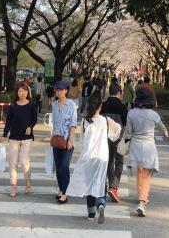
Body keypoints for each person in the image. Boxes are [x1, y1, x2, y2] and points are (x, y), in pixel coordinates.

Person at [67, 91, 121, 224]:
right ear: (100, 107)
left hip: (88, 156)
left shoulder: (85, 121)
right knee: (100, 182)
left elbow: (82, 140)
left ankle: (91, 214)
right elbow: (118, 129)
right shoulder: (105, 120)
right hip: (102, 156)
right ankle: (101, 204)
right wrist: (110, 136)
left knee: (89, 184)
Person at [125, 87, 168, 217]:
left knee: (139, 171)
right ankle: (142, 202)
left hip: (135, 145)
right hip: (149, 146)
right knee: (146, 175)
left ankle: (141, 195)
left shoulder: (131, 113)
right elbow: (162, 127)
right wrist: (165, 133)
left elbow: (128, 131)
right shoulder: (153, 115)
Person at [0, 82, 37, 197]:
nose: (22, 93)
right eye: (20, 91)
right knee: (13, 163)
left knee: (24, 161)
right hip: (14, 137)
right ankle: (14, 186)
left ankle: (27, 180)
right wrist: (4, 135)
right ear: (17, 92)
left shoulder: (31, 105)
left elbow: (34, 119)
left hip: (27, 138)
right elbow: (8, 122)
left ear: (27, 92)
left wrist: (30, 127)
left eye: (25, 91)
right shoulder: (13, 106)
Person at [51, 80, 78, 204]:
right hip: (56, 139)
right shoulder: (54, 105)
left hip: (67, 140)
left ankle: (64, 192)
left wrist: (70, 140)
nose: (58, 92)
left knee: (64, 166)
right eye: (57, 90)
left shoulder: (71, 105)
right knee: (58, 167)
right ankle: (61, 190)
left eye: (61, 90)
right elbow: (54, 123)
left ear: (66, 90)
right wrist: (51, 137)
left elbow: (73, 124)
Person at [101, 83, 128, 203]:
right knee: (119, 162)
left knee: (109, 162)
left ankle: (111, 186)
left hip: (105, 138)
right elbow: (126, 124)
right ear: (118, 93)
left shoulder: (103, 105)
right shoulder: (122, 107)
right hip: (119, 138)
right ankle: (113, 187)